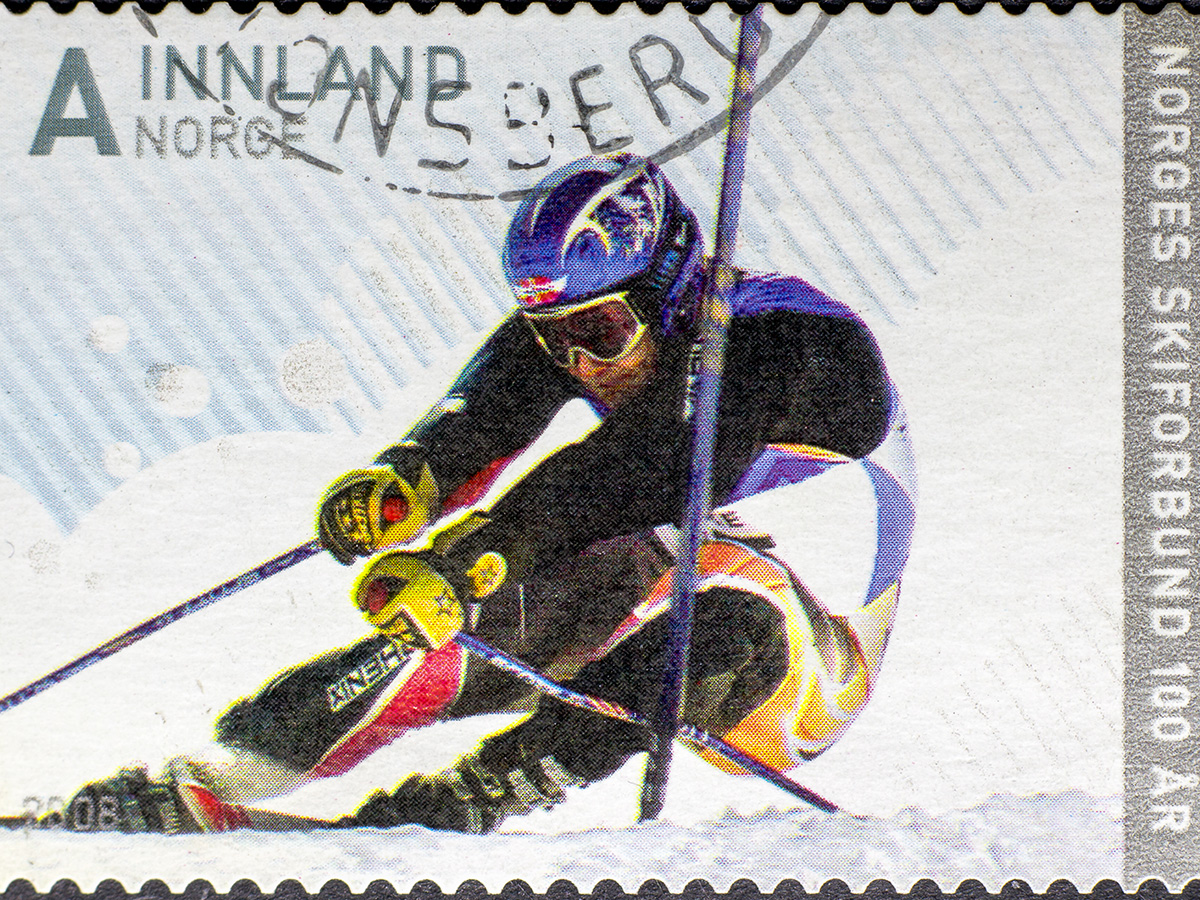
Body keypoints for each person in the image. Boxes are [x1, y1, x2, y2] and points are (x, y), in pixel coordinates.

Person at [58, 154, 916, 835]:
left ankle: (472, 797)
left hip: (803, 666)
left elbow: (650, 461)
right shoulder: (601, 330)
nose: (579, 362)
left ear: (672, 288)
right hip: (653, 563)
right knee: (455, 622)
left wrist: (481, 549)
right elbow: (486, 418)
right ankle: (223, 774)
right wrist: (407, 483)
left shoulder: (793, 346)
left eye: (599, 332)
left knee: (718, 599)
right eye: (554, 337)